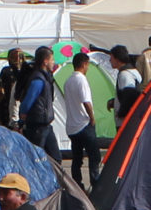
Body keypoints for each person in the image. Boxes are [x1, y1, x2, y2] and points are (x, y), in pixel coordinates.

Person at [60, 51, 104, 185]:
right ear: (84, 64)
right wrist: (92, 117)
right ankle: (95, 184)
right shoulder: (81, 80)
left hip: (72, 126)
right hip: (83, 124)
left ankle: (77, 184)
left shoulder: (68, 81)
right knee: (94, 156)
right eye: (88, 66)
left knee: (77, 158)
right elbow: (86, 101)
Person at [15, 46, 60, 160]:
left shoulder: (45, 78)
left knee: (56, 158)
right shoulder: (38, 80)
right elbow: (28, 101)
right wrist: (22, 119)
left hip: (46, 124)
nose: (53, 62)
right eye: (52, 60)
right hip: (37, 126)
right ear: (45, 61)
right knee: (36, 158)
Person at [107, 45, 143, 124]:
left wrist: (121, 113)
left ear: (117, 59)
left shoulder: (125, 74)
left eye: (111, 57)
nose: (110, 60)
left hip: (126, 122)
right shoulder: (132, 71)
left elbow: (129, 95)